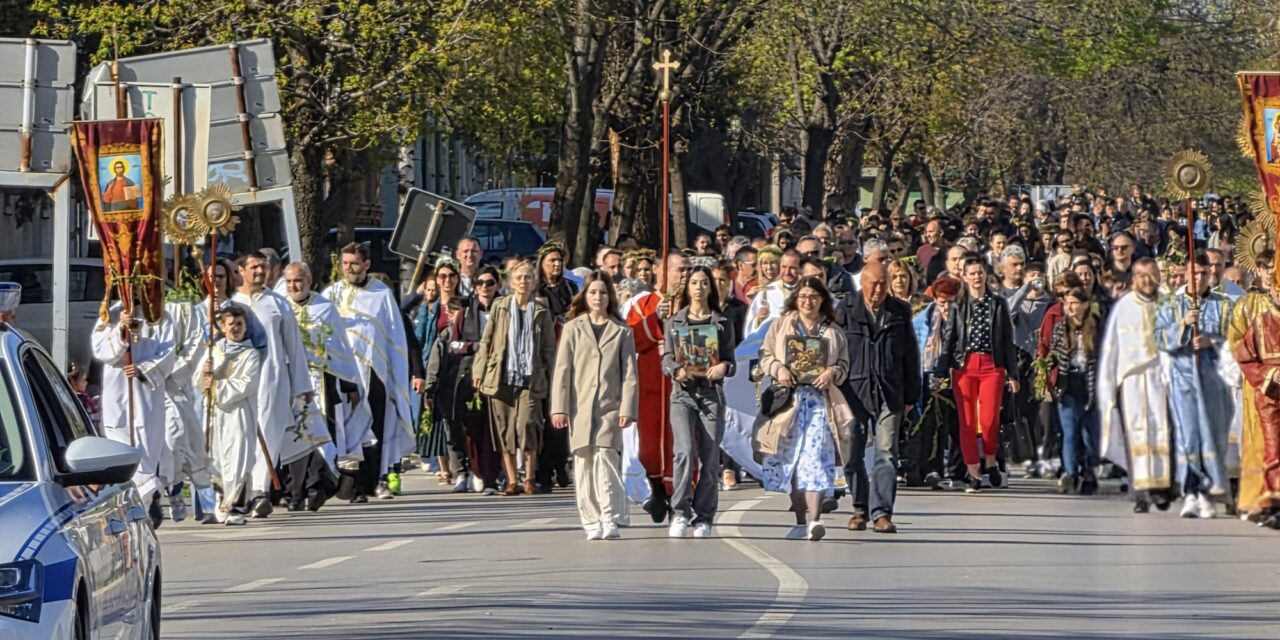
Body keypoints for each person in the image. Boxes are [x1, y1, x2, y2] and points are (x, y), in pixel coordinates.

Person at [756, 276, 851, 541]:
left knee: (817, 457)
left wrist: (832, 372)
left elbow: (844, 363)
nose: (808, 302)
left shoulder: (833, 330)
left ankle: (815, 519)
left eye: (813, 297)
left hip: (821, 402)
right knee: (792, 460)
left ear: (822, 300)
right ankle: (800, 520)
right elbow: (765, 355)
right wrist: (779, 369)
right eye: (803, 296)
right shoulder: (781, 325)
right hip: (788, 402)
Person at [323, 242, 417, 502]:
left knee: (374, 426)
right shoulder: (331, 294)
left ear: (366, 264)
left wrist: (397, 374)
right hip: (342, 373)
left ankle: (375, 480)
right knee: (346, 428)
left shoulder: (381, 294)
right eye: (345, 263)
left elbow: (395, 337)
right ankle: (348, 483)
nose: (349, 268)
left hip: (375, 371)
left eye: (354, 263)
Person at [551, 272, 638, 540]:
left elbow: (630, 374)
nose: (597, 297)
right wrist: (559, 407)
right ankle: (591, 520)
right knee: (584, 462)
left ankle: (610, 516)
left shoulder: (622, 331)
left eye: (602, 292)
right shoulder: (573, 328)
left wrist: (627, 409)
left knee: (606, 457)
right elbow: (562, 370)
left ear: (609, 296)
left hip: (609, 405)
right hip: (580, 407)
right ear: (585, 296)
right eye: (592, 292)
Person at [231, 251, 317, 516]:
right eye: (254, 267)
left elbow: (294, 347)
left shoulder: (278, 303)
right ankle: (238, 491)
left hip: (273, 379)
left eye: (263, 267)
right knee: (239, 436)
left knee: (269, 435)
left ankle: (260, 491)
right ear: (241, 271)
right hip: (239, 382)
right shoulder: (231, 304)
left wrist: (302, 386)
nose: (259, 271)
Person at [281, 263, 372, 511]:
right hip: (290, 380)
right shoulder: (281, 307)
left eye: (298, 281)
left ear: (309, 280)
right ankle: (295, 491)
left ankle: (317, 486)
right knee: (295, 434)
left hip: (321, 379)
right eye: (289, 282)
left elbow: (340, 347)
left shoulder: (325, 308)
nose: (293, 286)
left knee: (321, 435)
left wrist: (350, 384)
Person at [1155, 251, 1236, 518]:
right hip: (1184, 378)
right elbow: (1158, 337)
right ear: (1186, 274)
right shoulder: (1171, 304)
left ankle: (1208, 491)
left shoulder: (1223, 304)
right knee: (1188, 434)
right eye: (1194, 273)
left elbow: (1237, 337)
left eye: (1203, 273)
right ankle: (1190, 490)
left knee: (1211, 433)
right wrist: (1183, 324)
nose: (1199, 278)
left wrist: (1213, 340)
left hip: (1213, 379)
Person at [841, 264, 920, 532]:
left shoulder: (900, 311)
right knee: (851, 451)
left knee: (886, 452)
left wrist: (911, 395)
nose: (878, 290)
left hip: (889, 389)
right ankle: (859, 508)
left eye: (883, 284)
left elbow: (911, 354)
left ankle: (881, 512)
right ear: (861, 283)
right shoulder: (845, 309)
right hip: (853, 390)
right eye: (873, 284)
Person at [661, 265, 736, 538]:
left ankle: (704, 516)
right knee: (683, 452)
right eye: (694, 283)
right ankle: (679, 511)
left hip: (710, 395)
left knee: (710, 457)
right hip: (683, 394)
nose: (699, 288)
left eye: (704, 283)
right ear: (687, 286)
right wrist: (675, 370)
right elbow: (667, 358)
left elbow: (730, 361)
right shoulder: (674, 322)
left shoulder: (722, 322)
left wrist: (723, 367)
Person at [473, 259, 557, 496]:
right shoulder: (500, 307)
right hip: (501, 376)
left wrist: (553, 377)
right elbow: (487, 341)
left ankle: (529, 478)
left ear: (534, 282)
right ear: (511, 282)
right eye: (519, 277)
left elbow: (549, 348)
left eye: (527, 277)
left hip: (531, 378)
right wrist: (479, 371)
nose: (523, 282)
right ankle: (512, 480)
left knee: (528, 424)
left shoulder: (541, 311)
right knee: (505, 428)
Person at [935, 257, 1020, 492]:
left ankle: (990, 460)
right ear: (964, 277)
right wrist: (940, 372)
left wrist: (1012, 374)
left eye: (979, 272)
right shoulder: (958, 305)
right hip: (965, 367)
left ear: (986, 275)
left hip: (992, 365)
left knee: (990, 419)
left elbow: (1007, 340)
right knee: (967, 423)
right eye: (971, 273)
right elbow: (950, 340)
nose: (976, 277)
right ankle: (973, 472)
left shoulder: (998, 304)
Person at [1097, 258, 1175, 513]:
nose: (1147, 280)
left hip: (1161, 375)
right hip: (1132, 379)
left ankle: (1162, 487)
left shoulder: (1169, 304)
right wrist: (1107, 385)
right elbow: (1111, 348)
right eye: (1142, 275)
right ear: (1134, 278)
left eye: (1151, 275)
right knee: (1136, 431)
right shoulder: (1123, 307)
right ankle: (1140, 490)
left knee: (1162, 429)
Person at [92, 294, 176, 523]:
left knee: (146, 445)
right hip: (118, 391)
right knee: (121, 445)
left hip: (146, 393)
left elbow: (168, 353)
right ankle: (143, 497)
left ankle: (146, 498)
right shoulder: (110, 314)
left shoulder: (160, 316)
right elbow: (100, 349)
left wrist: (143, 369)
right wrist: (120, 330)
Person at [426, 265, 504, 495]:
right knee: (473, 428)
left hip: (500, 375)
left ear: (498, 285)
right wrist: (476, 347)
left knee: (495, 428)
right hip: (471, 376)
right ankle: (475, 471)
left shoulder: (505, 309)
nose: (485, 288)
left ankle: (493, 476)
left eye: (490, 283)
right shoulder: (466, 312)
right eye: (480, 283)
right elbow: (454, 344)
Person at [624, 252, 687, 519]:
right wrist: (654, 320)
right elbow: (631, 338)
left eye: (687, 270)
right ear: (661, 272)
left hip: (682, 384)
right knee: (650, 446)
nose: (684, 275)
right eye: (679, 270)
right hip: (651, 383)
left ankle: (680, 498)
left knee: (681, 443)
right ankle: (658, 489)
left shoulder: (693, 302)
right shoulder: (643, 304)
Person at [199, 306, 263, 526]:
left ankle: (237, 506)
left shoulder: (250, 354)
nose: (235, 328)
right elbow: (200, 382)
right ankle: (221, 504)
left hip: (239, 413)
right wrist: (205, 373)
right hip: (216, 413)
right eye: (231, 324)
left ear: (245, 327)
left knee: (239, 459)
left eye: (239, 324)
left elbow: (246, 384)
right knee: (217, 459)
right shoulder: (214, 351)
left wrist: (216, 384)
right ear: (223, 327)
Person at [1232, 273, 1280, 529]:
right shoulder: (1261, 322)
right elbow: (1245, 357)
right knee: (1274, 449)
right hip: (1271, 395)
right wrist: (1270, 375)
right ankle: (1273, 502)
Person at [1046, 287, 1102, 494]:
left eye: (1074, 303)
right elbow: (1054, 352)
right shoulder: (1061, 327)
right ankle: (1070, 474)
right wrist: (1046, 368)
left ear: (1085, 305)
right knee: (1069, 432)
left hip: (1090, 385)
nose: (1069, 307)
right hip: (1068, 384)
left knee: (1089, 435)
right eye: (1067, 303)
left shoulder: (1097, 326)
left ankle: (1089, 472)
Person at [416, 260, 466, 489]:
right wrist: (419, 373)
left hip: (460, 366)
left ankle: (461, 466)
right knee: (438, 419)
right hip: (435, 364)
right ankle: (444, 468)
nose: (447, 281)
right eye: (442, 276)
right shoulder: (430, 308)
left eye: (451, 276)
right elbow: (419, 339)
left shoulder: (464, 303)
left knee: (458, 419)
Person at [534, 243, 578, 491]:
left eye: (559, 260)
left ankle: (560, 464)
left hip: (565, 353)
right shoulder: (536, 290)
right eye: (551, 260)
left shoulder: (570, 288)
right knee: (543, 415)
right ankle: (543, 469)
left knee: (561, 413)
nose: (556, 265)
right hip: (542, 357)